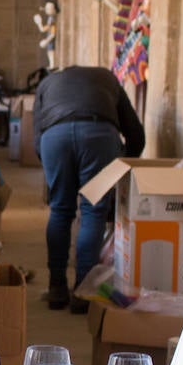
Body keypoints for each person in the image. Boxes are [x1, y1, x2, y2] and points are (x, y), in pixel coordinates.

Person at [32, 65, 146, 313]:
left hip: (55, 137)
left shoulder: (47, 83)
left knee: (60, 211)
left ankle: (56, 287)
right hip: (98, 136)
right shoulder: (107, 78)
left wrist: (53, 168)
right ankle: (83, 291)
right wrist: (121, 167)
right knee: (93, 211)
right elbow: (135, 132)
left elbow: (36, 138)